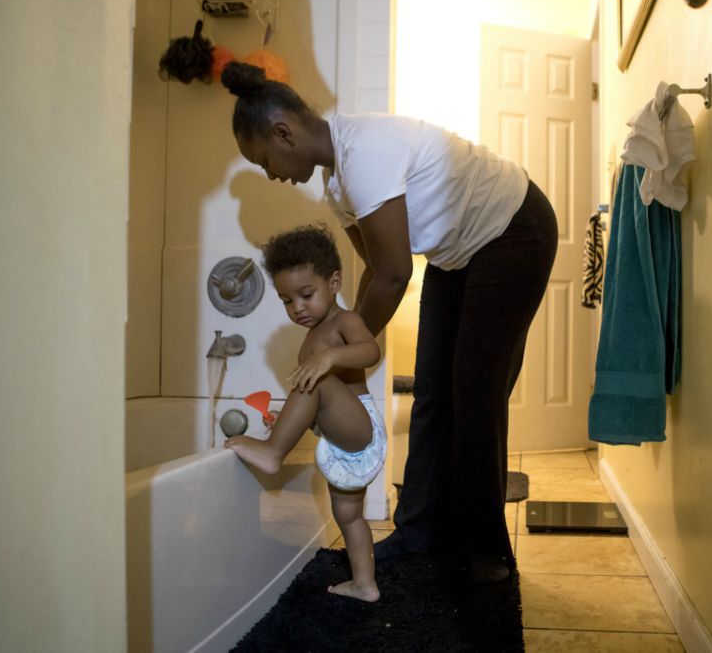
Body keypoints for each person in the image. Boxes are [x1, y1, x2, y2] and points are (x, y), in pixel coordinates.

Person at [221, 61, 558, 582]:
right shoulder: (337, 184)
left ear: (282, 132)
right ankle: (421, 531)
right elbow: (375, 272)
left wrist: (341, 350)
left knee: (474, 393)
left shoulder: (364, 154)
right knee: (431, 392)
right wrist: (347, 351)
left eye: (264, 160)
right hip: (459, 252)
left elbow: (396, 273)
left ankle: (486, 551)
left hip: (514, 230)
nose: (272, 175)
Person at [225, 224, 385, 603]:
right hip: (342, 442)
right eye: (286, 300)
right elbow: (319, 406)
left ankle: (272, 452)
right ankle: (365, 584)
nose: (297, 307)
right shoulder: (309, 339)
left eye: (306, 294)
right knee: (349, 517)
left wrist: (329, 357)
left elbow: (370, 352)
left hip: (361, 428)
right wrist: (287, 420)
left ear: (334, 282)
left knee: (318, 378)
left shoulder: (344, 322)